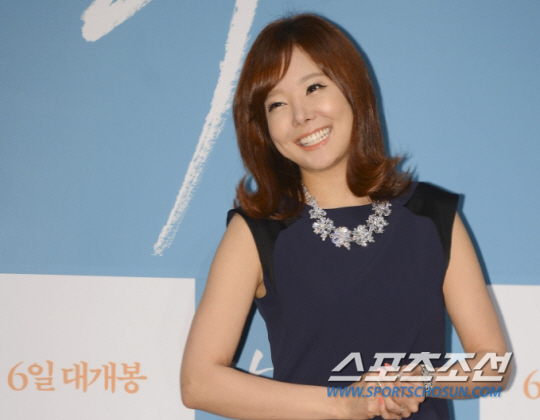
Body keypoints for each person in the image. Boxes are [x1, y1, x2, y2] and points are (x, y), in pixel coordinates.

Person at [180, 14, 510, 420]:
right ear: (263, 128)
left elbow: (494, 365)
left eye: (314, 87)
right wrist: (344, 403)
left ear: (352, 89)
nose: (301, 115)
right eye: (277, 104)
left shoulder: (430, 215)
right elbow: (198, 383)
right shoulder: (257, 232)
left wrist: (418, 381)